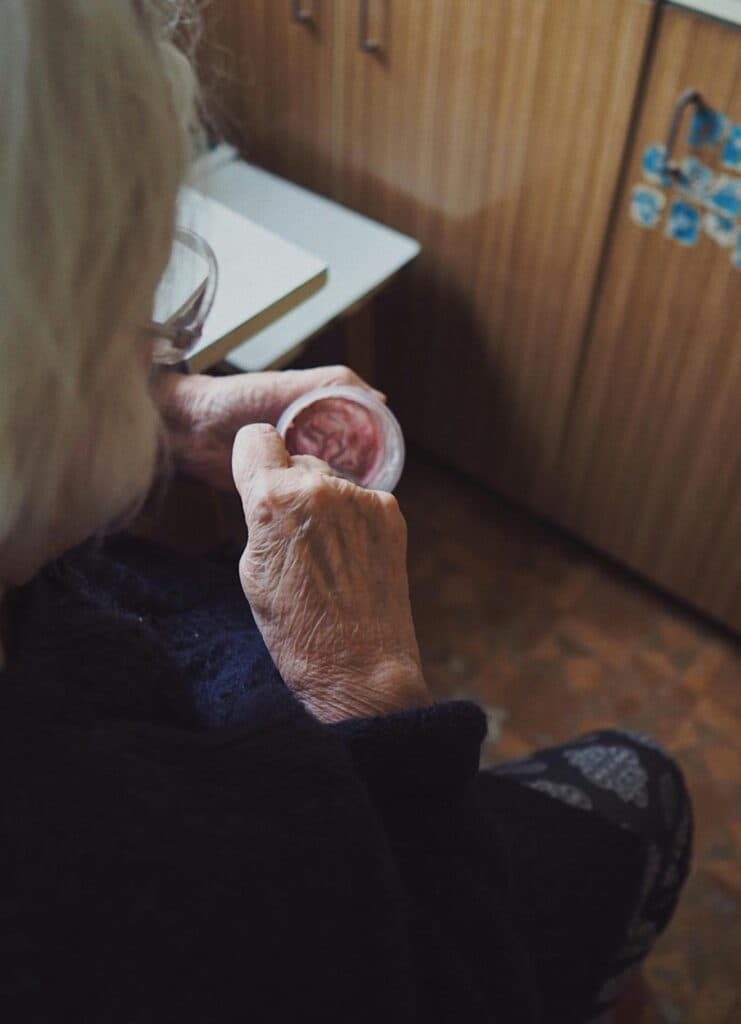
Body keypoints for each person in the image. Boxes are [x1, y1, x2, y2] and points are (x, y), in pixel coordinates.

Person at [0, 3, 692, 1022]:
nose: (161, 357)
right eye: (133, 327)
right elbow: (458, 987)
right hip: (408, 890)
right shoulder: (126, 872)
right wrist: (364, 681)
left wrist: (155, 418)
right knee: (643, 782)